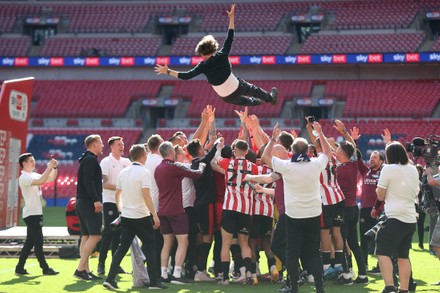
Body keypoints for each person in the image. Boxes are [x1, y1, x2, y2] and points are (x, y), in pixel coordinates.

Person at [154, 4, 278, 107]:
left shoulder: (203, 66)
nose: (201, 57)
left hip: (226, 97)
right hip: (237, 87)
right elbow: (230, 37)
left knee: (243, 101)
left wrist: (168, 71)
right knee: (253, 90)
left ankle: (258, 103)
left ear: (203, 53)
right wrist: (231, 18)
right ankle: (270, 99)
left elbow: (186, 76)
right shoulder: (222, 55)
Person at [264, 122, 330, 293]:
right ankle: (320, 287)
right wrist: (320, 134)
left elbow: (265, 156)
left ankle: (294, 288)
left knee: (292, 253)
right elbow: (327, 153)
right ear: (307, 151)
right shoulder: (315, 163)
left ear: (291, 151)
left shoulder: (287, 166)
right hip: (313, 213)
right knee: (314, 251)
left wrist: (272, 138)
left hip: (294, 214)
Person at [103, 144, 166, 290]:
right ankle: (154, 281)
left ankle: (110, 278)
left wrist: (121, 210)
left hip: (127, 216)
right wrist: (154, 215)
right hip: (141, 216)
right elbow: (146, 195)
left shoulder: (124, 172)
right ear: (143, 155)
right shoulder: (144, 172)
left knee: (121, 248)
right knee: (150, 247)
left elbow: (117, 194)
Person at [154, 141, 205, 284]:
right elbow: (197, 174)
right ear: (171, 153)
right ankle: (177, 274)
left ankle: (164, 274)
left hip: (162, 210)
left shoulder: (158, 168)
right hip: (176, 210)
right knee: (184, 241)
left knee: (167, 242)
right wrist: (202, 165)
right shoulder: (175, 167)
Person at [375, 142, 419, 293]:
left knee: (382, 251)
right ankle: (404, 289)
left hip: (395, 216)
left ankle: (389, 286)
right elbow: (415, 192)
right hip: (410, 217)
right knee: (403, 256)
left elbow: (380, 195)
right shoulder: (413, 169)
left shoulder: (387, 169)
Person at [216, 139, 260, 285]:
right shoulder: (253, 167)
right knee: (244, 243)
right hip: (245, 209)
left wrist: (220, 147)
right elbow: (255, 186)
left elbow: (216, 159)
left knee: (226, 244)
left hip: (229, 207)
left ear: (234, 151)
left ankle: (225, 279)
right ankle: (248, 273)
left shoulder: (228, 163)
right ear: (247, 151)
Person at [15, 153, 59, 276]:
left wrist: (54, 168)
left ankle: (19, 268)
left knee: (30, 242)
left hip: (34, 213)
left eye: (34, 160)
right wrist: (49, 167)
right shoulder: (24, 177)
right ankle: (45, 268)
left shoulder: (31, 175)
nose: (34, 163)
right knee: (38, 242)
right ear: (24, 163)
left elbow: (50, 178)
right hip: (31, 214)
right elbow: (41, 180)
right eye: (31, 161)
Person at [186, 138, 223, 281]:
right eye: (202, 147)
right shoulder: (198, 163)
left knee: (205, 236)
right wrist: (216, 145)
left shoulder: (194, 164)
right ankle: (200, 270)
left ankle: (200, 269)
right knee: (208, 236)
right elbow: (208, 157)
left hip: (201, 204)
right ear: (199, 150)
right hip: (206, 204)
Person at [97, 136, 131, 275]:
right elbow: (104, 183)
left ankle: (115, 264)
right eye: (118, 144)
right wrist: (121, 187)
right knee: (109, 233)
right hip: (110, 201)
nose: (122, 146)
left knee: (119, 234)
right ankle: (101, 263)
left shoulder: (127, 162)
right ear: (111, 147)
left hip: (123, 203)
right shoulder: (106, 162)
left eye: (122, 143)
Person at [74, 134, 104, 281]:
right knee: (96, 235)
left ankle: (85, 270)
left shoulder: (86, 159)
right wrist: (96, 200)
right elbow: (89, 182)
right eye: (101, 143)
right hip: (88, 202)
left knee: (86, 236)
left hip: (82, 201)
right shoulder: (91, 160)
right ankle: (80, 269)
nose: (102, 145)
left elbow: (88, 180)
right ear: (94, 144)